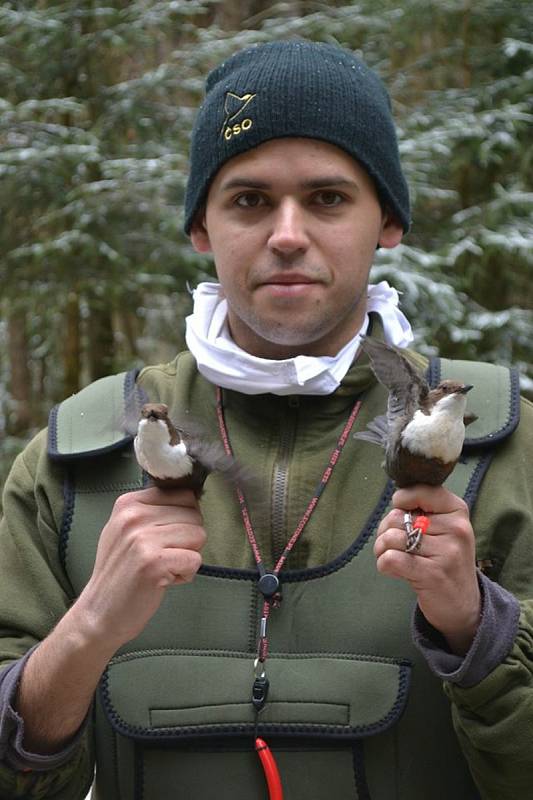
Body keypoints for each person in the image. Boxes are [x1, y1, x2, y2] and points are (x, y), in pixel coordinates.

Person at [0, 39, 532, 800]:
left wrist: (479, 633)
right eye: (248, 199)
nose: (287, 233)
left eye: (326, 198)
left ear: (386, 221)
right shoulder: (72, 464)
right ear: (200, 229)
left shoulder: (508, 453)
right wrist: (86, 633)